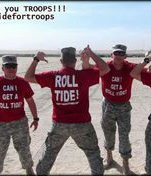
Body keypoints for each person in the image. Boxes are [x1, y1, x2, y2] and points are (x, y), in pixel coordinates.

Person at [24, 45, 110, 175]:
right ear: (75, 62)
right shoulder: (83, 75)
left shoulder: (53, 76)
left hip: (59, 125)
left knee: (49, 155)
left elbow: (28, 77)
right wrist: (90, 54)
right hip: (82, 124)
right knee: (93, 155)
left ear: (61, 61)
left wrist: (36, 59)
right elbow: (105, 68)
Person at [0, 55, 39, 175]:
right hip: (0, 126)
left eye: (14, 66)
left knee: (24, 149)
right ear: (2, 67)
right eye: (8, 66)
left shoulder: (22, 82)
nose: (11, 69)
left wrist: (35, 118)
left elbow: (30, 100)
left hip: (20, 124)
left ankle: (29, 169)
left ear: (17, 67)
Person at [88, 44, 137, 174]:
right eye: (116, 53)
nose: (119, 56)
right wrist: (87, 57)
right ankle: (109, 158)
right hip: (108, 104)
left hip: (124, 106)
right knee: (108, 132)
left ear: (125, 56)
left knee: (124, 135)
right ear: (112, 55)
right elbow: (89, 68)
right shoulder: (106, 66)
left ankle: (125, 164)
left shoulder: (129, 67)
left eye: (122, 53)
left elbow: (146, 68)